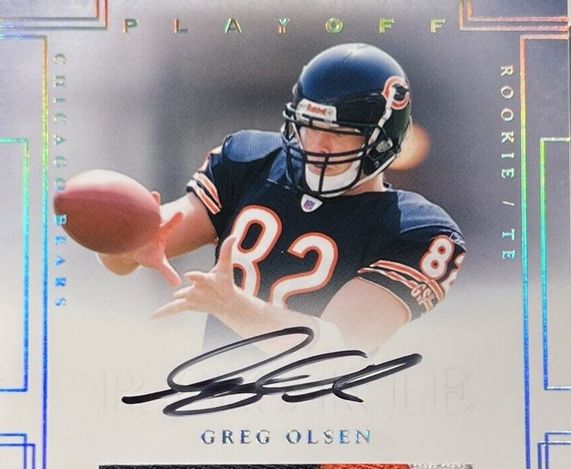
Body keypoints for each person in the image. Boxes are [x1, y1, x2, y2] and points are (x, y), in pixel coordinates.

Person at [99, 43, 466, 353]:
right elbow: (128, 256)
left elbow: (339, 351)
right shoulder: (249, 160)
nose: (318, 144)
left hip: (316, 408)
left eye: (340, 132)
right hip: (213, 394)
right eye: (309, 126)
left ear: (384, 139)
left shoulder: (417, 231)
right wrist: (124, 239)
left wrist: (236, 308)